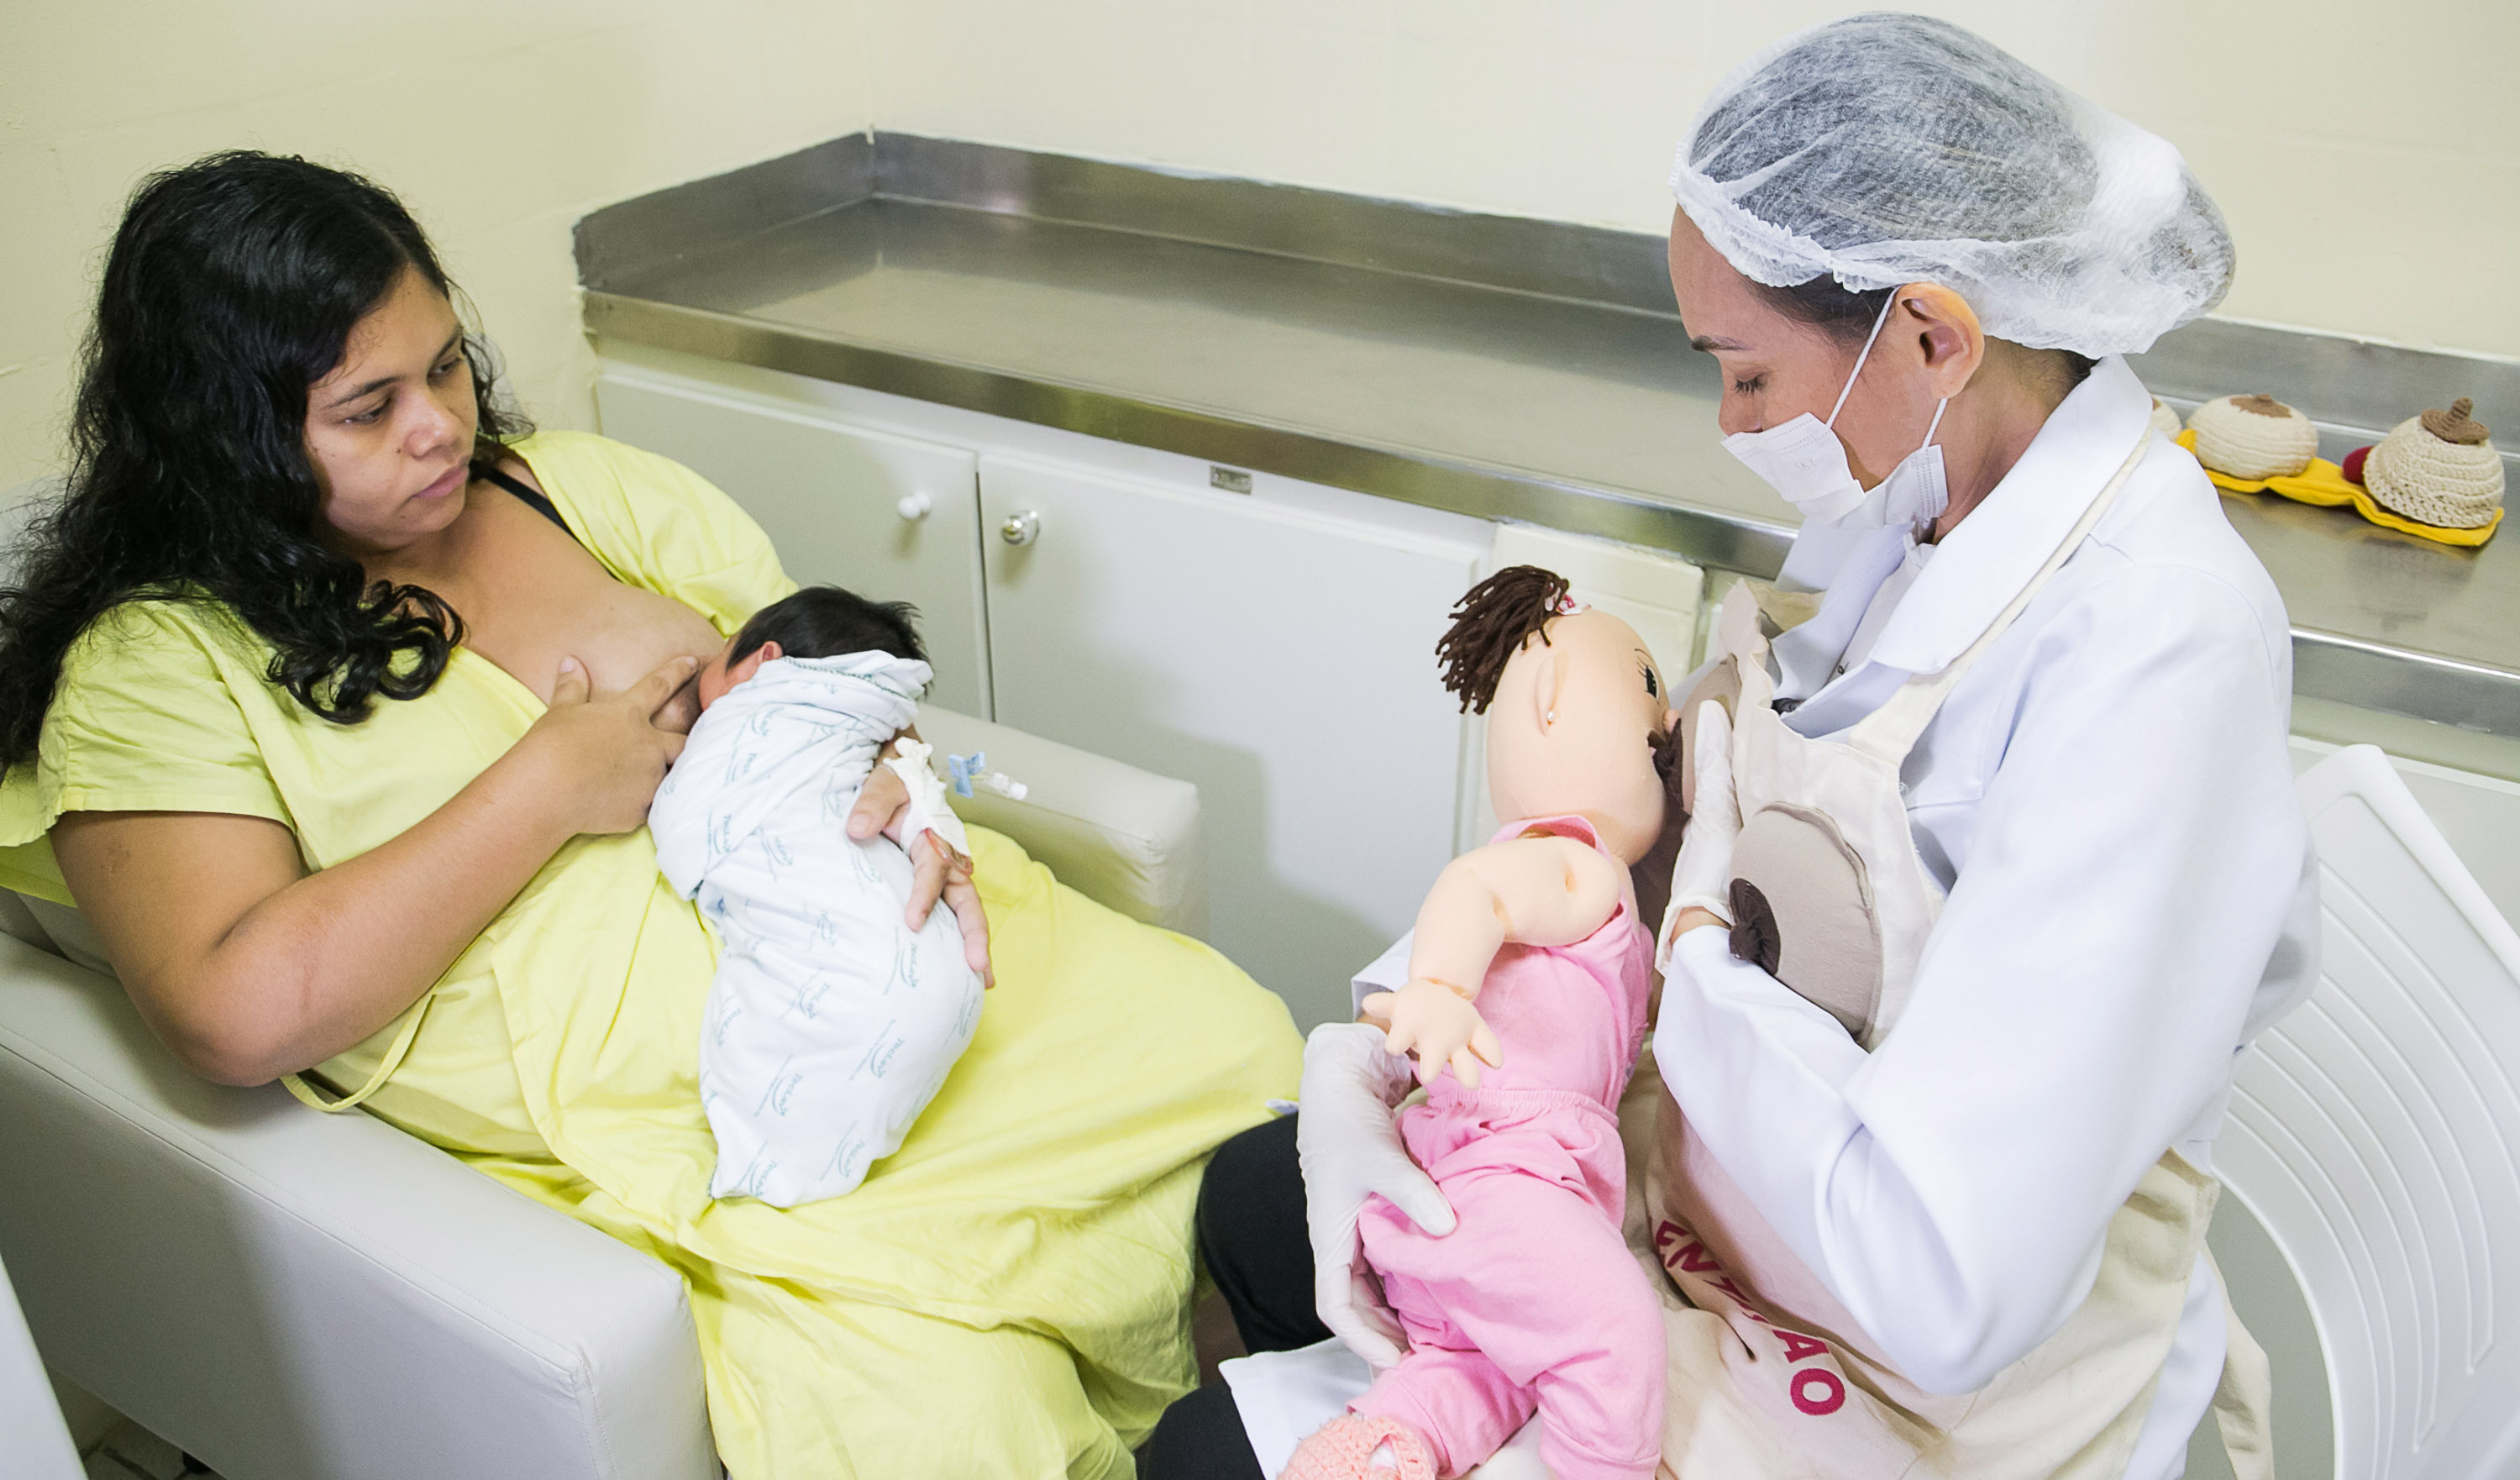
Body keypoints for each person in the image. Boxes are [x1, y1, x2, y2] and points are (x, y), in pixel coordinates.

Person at [0, 150, 1302, 1479]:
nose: (439, 426)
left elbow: (825, 673)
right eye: (367, 408)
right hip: (689, 1105)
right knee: (943, 1408)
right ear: (231, 435)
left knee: (1243, 1049)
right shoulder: (158, 665)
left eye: (446, 367)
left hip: (898, 949)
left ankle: (1350, 1422)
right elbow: (231, 1006)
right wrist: (546, 787)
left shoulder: (566, 487)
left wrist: (907, 783)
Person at [1148, 15, 2312, 1480]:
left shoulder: (2161, 650)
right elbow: (1663, 807)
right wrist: (1409, 1009)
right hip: (1737, 1205)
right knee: (1257, 1192)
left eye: (1749, 375)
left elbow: (1947, 1283)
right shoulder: (1919, 493)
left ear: (1937, 335)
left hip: (1913, 1369)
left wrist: (1696, 952)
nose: (1731, 420)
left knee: (1203, 1455)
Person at [651, 585, 985, 1208]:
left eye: (724, 648)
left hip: (861, 981)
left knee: (760, 1051)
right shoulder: (856, 716)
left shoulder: (750, 712)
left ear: (765, 660)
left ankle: (767, 1174)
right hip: (952, 967)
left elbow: (684, 837)